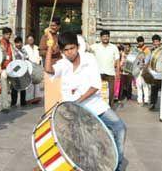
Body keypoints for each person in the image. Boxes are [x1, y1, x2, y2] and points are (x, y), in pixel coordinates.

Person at [44, 32, 127, 171]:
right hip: (73, 112)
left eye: (72, 48)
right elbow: (48, 69)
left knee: (120, 127)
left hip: (94, 105)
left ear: (77, 46)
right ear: (62, 51)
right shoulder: (63, 63)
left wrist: (77, 102)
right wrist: (49, 47)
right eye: (66, 50)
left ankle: (116, 166)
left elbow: (95, 86)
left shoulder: (89, 59)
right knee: (81, 145)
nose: (70, 52)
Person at [91, 30, 120, 107]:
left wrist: (118, 72)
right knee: (97, 92)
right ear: (100, 38)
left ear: (109, 37)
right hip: (98, 73)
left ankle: (110, 107)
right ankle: (98, 107)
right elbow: (86, 50)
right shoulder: (95, 46)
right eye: (103, 36)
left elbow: (117, 60)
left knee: (111, 92)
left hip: (110, 73)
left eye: (107, 36)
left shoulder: (114, 47)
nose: (105, 38)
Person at [39, 17, 62, 111]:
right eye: (50, 25)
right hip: (49, 67)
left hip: (60, 68)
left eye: (54, 25)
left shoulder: (60, 37)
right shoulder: (45, 37)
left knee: (59, 92)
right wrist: (51, 51)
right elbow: (41, 52)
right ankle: (49, 112)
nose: (52, 27)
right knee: (49, 93)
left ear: (59, 27)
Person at [0, 27, 14, 113]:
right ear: (3, 34)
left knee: (7, 88)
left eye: (9, 34)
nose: (9, 36)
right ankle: (5, 106)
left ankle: (2, 105)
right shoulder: (1, 43)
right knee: (4, 88)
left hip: (9, 68)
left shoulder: (9, 44)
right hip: (3, 68)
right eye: (7, 34)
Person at [10, 36, 28, 107]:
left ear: (22, 43)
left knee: (23, 87)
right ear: (15, 43)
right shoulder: (13, 51)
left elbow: (26, 58)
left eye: (20, 43)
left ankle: (23, 102)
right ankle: (13, 102)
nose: (18, 44)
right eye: (17, 43)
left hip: (23, 70)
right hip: (15, 70)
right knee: (14, 87)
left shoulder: (24, 50)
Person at [23, 35, 41, 105]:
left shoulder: (37, 47)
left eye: (32, 39)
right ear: (27, 40)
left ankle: (36, 98)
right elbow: (24, 57)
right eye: (29, 39)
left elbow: (39, 57)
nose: (31, 40)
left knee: (37, 82)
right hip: (29, 66)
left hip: (36, 67)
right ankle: (29, 99)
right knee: (29, 83)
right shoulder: (24, 48)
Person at [147, 34, 162, 111]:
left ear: (160, 42)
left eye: (157, 41)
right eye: (154, 42)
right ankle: (153, 104)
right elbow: (147, 60)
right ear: (153, 43)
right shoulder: (151, 51)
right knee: (154, 90)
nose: (156, 43)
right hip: (153, 74)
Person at [134, 36, 151, 106]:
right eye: (139, 41)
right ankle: (139, 99)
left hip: (144, 69)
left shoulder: (147, 50)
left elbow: (147, 59)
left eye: (141, 41)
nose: (140, 43)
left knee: (145, 84)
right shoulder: (136, 49)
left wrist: (144, 65)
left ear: (143, 41)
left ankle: (146, 99)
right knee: (138, 85)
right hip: (137, 69)